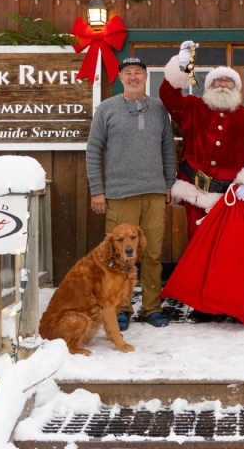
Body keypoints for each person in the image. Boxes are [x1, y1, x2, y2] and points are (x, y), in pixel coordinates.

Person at [159, 40, 244, 322]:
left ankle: (223, 304)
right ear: (209, 86)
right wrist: (180, 67)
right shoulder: (192, 107)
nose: (223, 84)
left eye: (229, 81)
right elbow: (168, 95)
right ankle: (202, 305)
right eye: (218, 81)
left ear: (236, 88)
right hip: (195, 194)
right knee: (197, 251)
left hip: (229, 199)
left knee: (227, 255)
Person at [86, 56, 176, 330]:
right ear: (120, 77)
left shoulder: (159, 108)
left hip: (153, 191)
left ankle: (151, 307)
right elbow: (93, 150)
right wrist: (97, 190)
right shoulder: (107, 108)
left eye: (138, 72)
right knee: (120, 256)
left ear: (146, 77)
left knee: (152, 254)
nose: (133, 77)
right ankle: (121, 307)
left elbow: (168, 148)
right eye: (128, 72)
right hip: (120, 193)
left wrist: (168, 183)